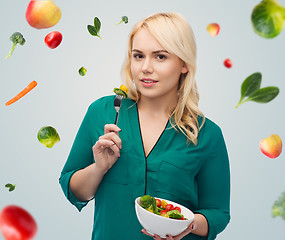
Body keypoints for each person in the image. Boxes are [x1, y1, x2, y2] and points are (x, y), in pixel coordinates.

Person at [59, 12, 230, 240]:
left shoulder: (207, 134)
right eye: (138, 56)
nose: (145, 68)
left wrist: (187, 225)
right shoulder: (102, 112)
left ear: (184, 64)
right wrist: (99, 167)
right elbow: (73, 190)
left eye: (160, 57)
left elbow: (218, 213)